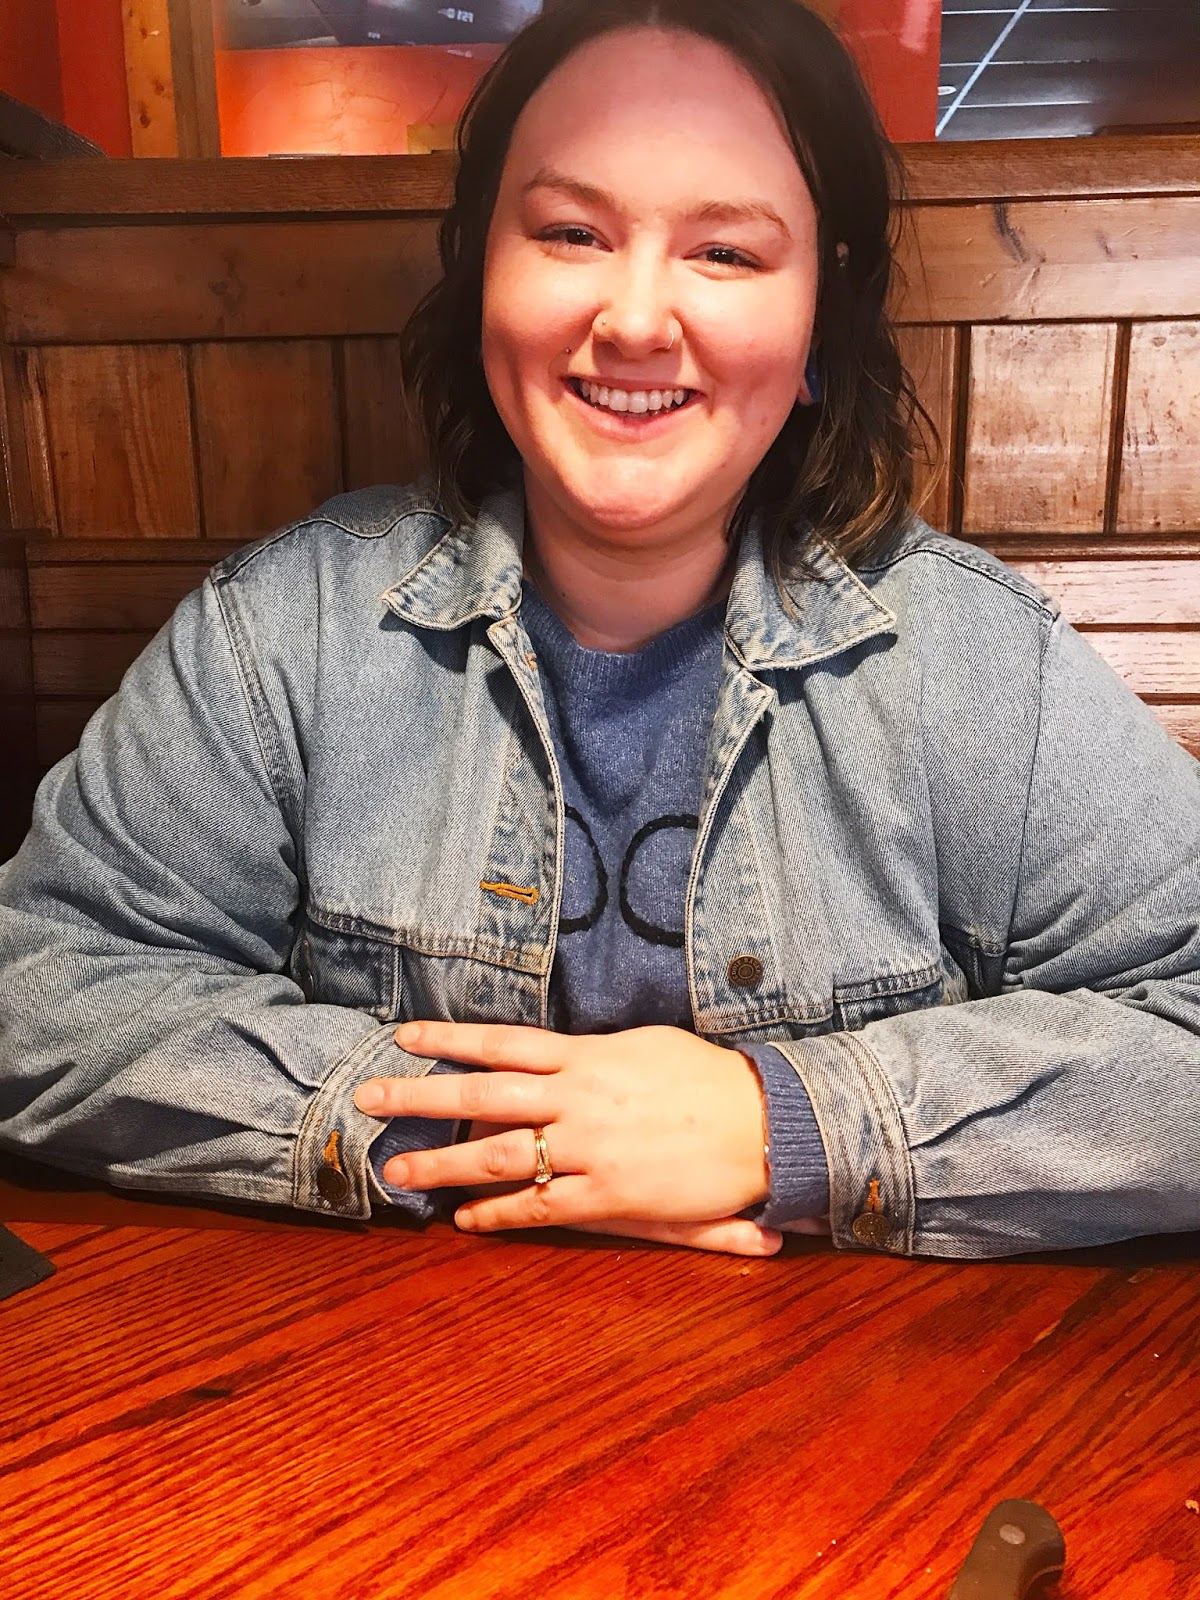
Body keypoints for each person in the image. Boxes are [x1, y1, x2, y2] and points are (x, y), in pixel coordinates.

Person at [1, 0, 1197, 1262]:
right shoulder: (287, 630)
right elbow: (40, 985)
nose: (633, 320)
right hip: (380, 1362)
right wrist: (487, 1133)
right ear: (484, 270)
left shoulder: (973, 660)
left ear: (818, 314)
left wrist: (786, 1123)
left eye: (726, 252)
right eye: (571, 232)